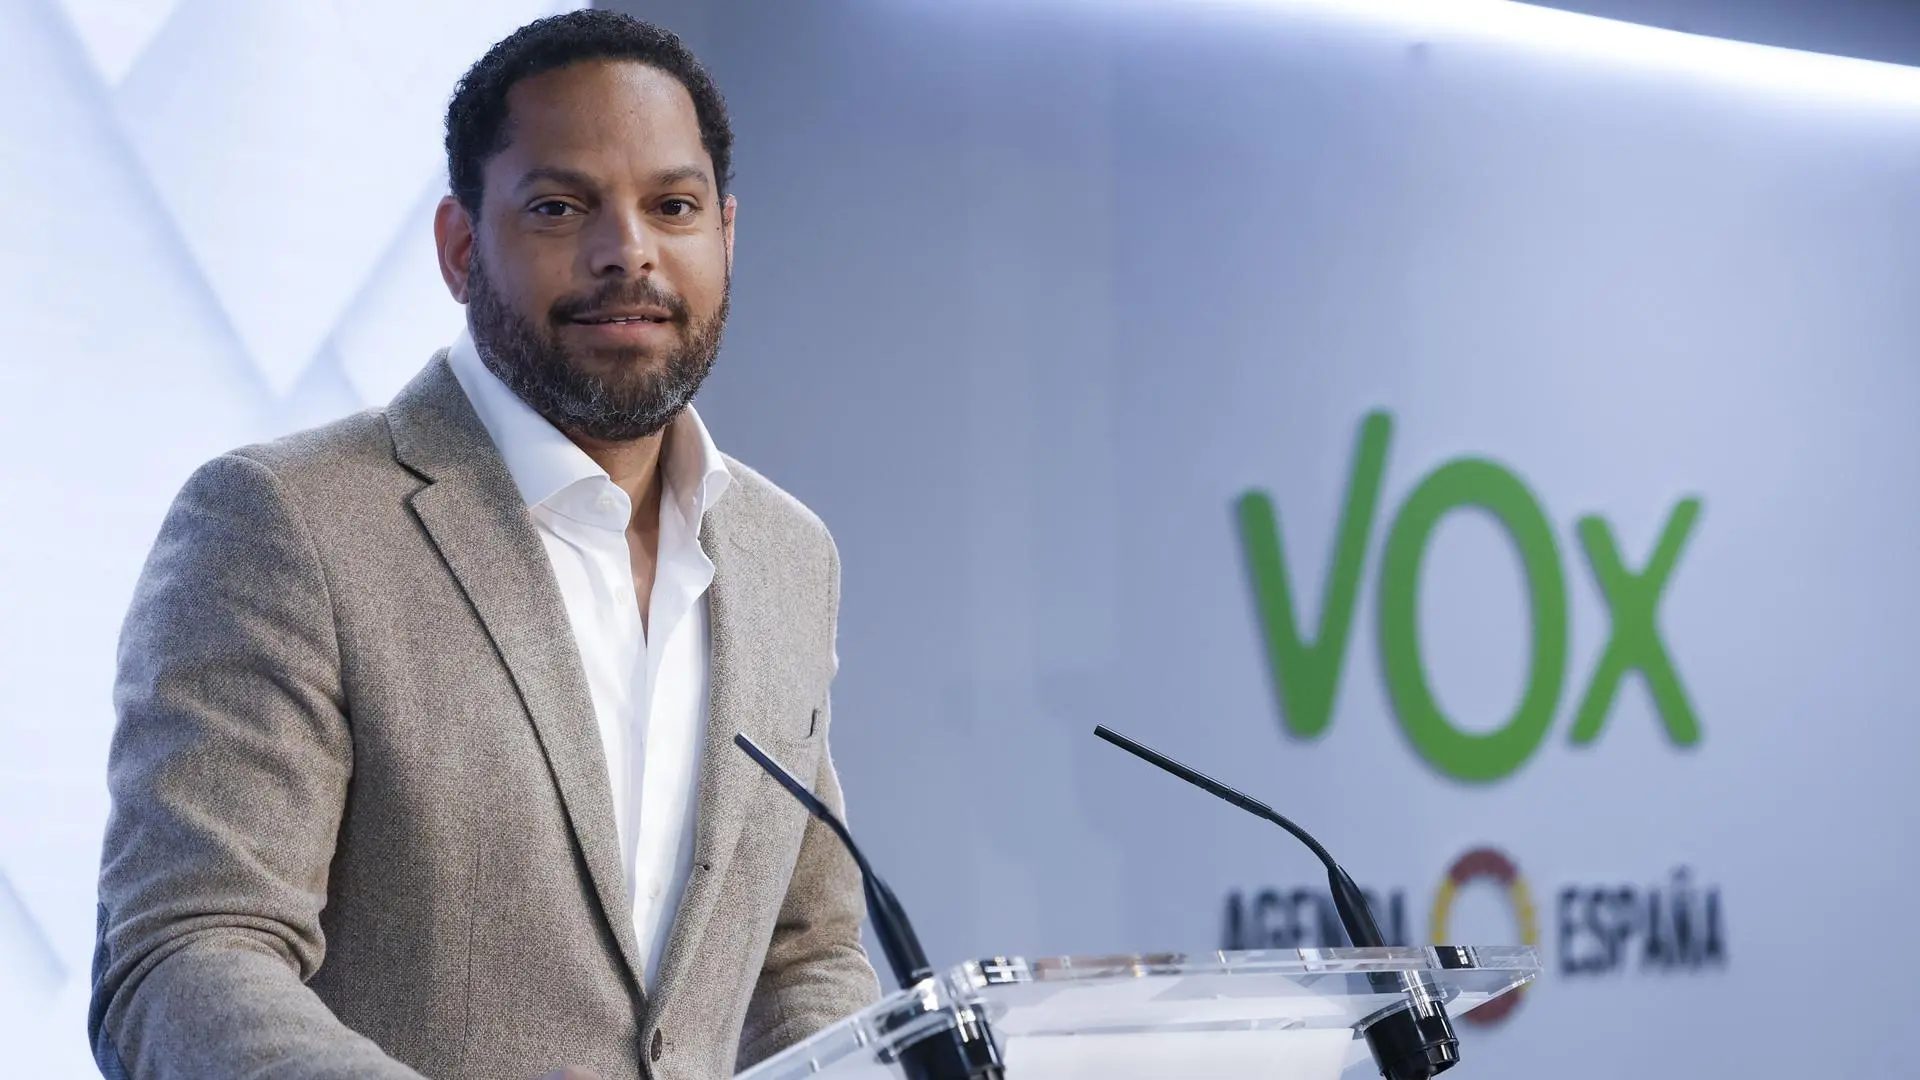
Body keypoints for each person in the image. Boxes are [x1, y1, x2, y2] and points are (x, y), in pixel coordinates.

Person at [88, 11, 878, 1079]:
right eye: (560, 207)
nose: (627, 251)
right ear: (462, 248)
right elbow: (184, 954)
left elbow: (801, 954)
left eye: (673, 207)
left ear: (725, 236)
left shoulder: (789, 556)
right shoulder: (285, 524)